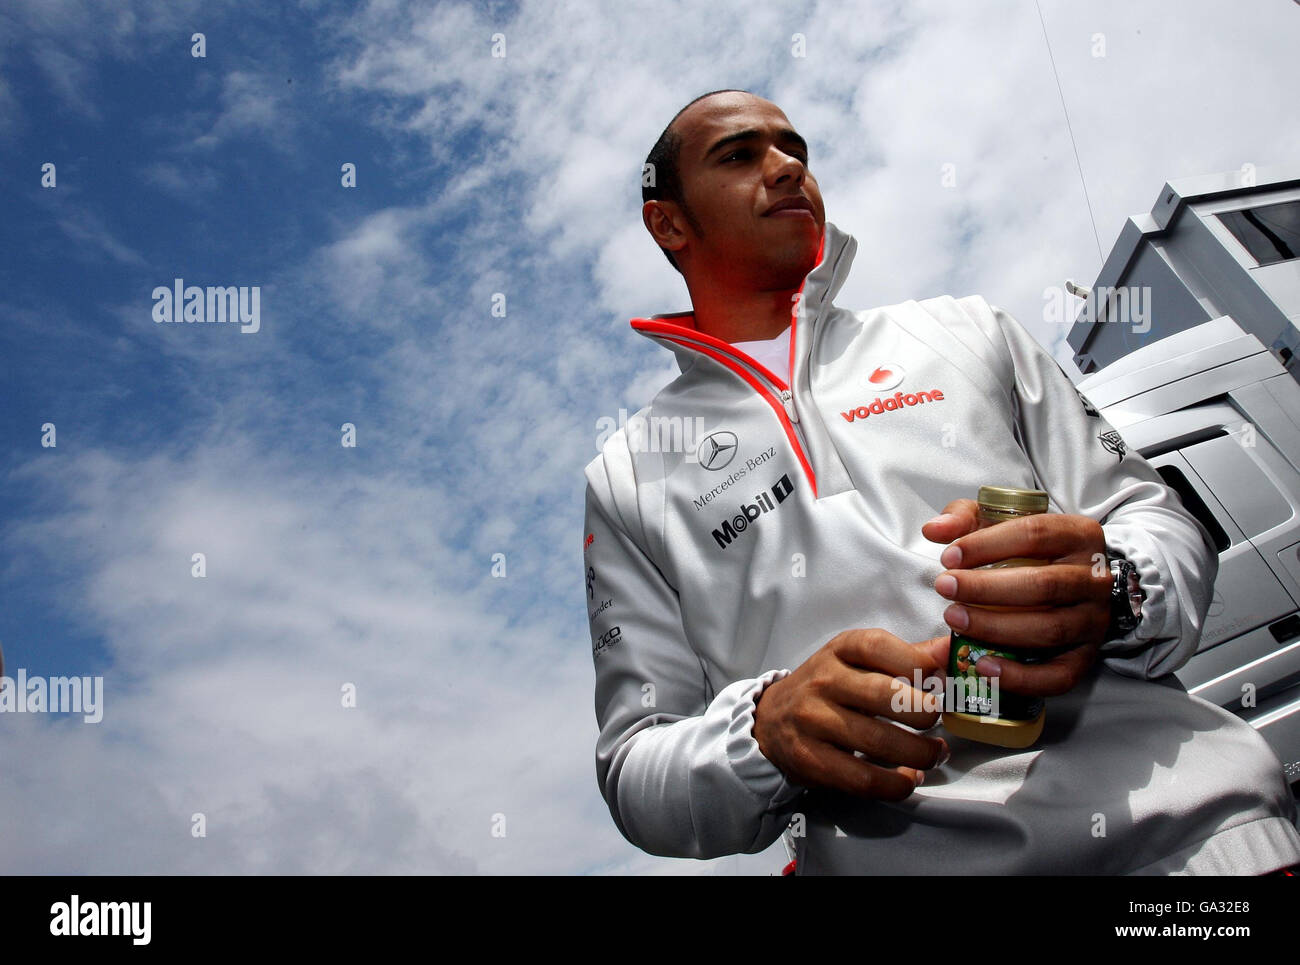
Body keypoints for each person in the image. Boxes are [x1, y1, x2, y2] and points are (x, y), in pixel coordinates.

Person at [582, 88, 1300, 874]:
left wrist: (1116, 584)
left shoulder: (965, 329)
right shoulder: (629, 475)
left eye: (796, 149)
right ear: (669, 222)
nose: (788, 166)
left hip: (1198, 846)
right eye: (739, 154)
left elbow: (1156, 519)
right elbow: (635, 767)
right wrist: (762, 730)